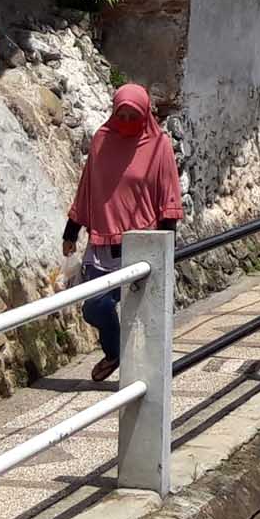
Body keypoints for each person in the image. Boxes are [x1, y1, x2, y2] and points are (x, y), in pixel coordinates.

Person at [60, 84, 182, 384]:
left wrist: (166, 243)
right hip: (101, 245)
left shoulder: (158, 145)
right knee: (93, 307)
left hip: (140, 244)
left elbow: (169, 197)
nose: (126, 120)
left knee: (138, 313)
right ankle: (116, 354)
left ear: (144, 114)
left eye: (133, 115)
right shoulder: (102, 140)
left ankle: (141, 377)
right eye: (121, 114)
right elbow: (87, 187)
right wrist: (71, 231)